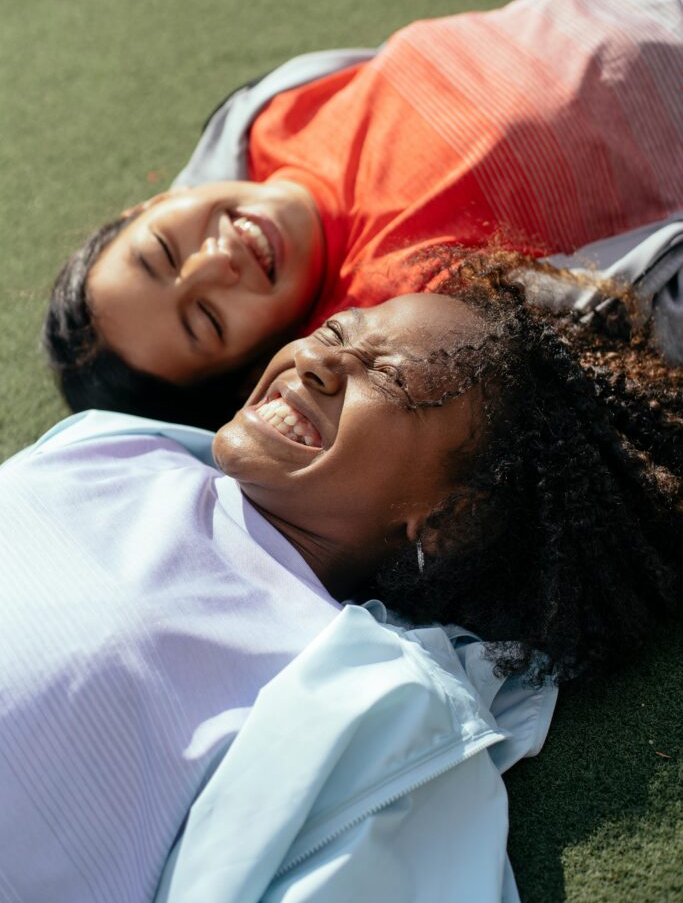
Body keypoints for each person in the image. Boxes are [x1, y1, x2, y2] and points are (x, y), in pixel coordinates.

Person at [3, 251, 681, 900]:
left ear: (450, 519)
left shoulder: (361, 700)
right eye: (334, 331)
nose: (319, 361)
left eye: (384, 377)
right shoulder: (115, 443)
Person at [43, 0, 683, 427]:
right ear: (252, 363)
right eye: (208, 319)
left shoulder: (269, 119)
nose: (215, 262)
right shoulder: (389, 314)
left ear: (153, 204)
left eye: (162, 250)